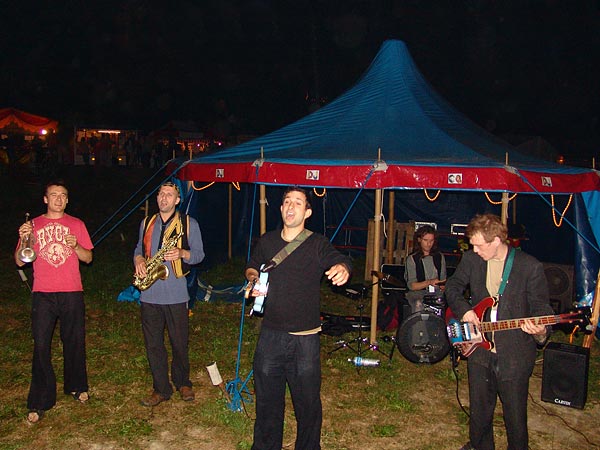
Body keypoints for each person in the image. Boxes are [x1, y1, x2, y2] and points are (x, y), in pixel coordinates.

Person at [245, 186, 352, 450]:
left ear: (307, 212)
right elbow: (252, 265)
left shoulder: (317, 243)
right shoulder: (267, 241)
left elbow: (339, 259)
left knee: (308, 405)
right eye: (287, 202)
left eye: (298, 202)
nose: (291, 207)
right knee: (267, 402)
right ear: (281, 208)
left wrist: (342, 268)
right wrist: (253, 278)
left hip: (304, 339)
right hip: (270, 335)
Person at [445, 214, 553, 450]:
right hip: (479, 350)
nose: (474, 250)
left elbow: (542, 307)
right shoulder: (472, 259)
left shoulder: (529, 266)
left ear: (496, 241)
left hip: (514, 354)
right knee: (480, 411)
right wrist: (465, 311)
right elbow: (452, 287)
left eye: (478, 245)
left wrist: (540, 329)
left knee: (515, 415)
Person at [14, 180, 94, 424]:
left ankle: (77, 386)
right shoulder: (32, 226)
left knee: (74, 341)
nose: (58, 199)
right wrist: (23, 238)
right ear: (45, 199)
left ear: (67, 200)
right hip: (43, 293)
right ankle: (40, 399)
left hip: (72, 291)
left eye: (63, 195)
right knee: (41, 345)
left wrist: (76, 245)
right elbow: (19, 261)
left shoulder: (77, 224)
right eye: (54, 195)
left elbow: (88, 258)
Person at [133, 181, 205, 407]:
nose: (164, 198)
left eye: (169, 194)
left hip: (177, 295)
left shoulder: (189, 224)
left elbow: (199, 255)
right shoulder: (147, 223)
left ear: (177, 200)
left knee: (179, 342)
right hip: (149, 295)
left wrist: (183, 253)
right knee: (153, 344)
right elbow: (138, 249)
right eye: (161, 194)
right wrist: (139, 259)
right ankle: (161, 388)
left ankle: (183, 382)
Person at [404, 225, 447, 313]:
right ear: (419, 240)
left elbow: (443, 280)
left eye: (431, 241)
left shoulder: (439, 257)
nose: (429, 244)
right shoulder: (412, 259)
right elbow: (412, 286)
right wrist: (429, 282)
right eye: (426, 240)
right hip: (418, 294)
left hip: (436, 293)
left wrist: (443, 285)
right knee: (418, 304)